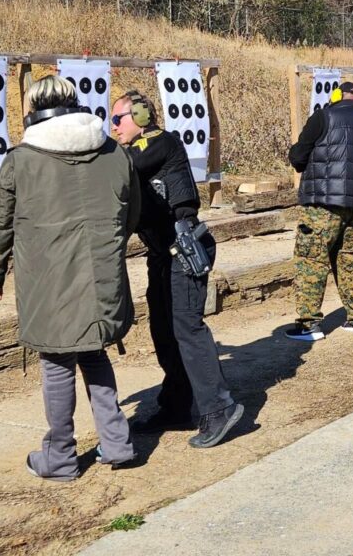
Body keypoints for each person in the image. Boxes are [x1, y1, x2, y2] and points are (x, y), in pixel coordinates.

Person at [0, 76, 139, 481]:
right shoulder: (114, 153)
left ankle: (61, 456)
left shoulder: (21, 159)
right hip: (103, 273)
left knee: (56, 363)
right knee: (94, 351)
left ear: (33, 110)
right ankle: (117, 444)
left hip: (46, 280)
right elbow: (131, 213)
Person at [111, 90, 243, 449]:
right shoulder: (136, 150)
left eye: (117, 120)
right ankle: (175, 404)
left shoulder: (158, 143)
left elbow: (123, 167)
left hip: (182, 249)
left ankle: (219, 408)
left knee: (187, 329)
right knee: (164, 330)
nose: (114, 128)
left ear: (139, 116)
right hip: (161, 255)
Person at [285, 81, 353, 340]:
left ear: (336, 96)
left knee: (311, 262)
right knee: (351, 261)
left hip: (321, 205)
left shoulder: (323, 116)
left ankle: (309, 324)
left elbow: (298, 157)